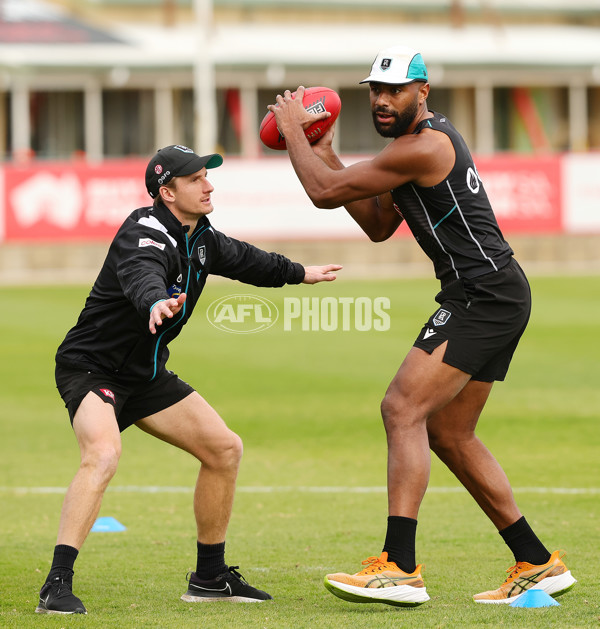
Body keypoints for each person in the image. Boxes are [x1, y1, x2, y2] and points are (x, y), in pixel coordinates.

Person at [268, 46, 577, 606]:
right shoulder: (409, 148)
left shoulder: (425, 146)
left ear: (422, 92)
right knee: (449, 433)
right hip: (493, 292)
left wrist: (293, 131)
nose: (382, 101)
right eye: (375, 91)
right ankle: (536, 561)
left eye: (395, 91)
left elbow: (322, 194)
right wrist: (328, 153)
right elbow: (380, 223)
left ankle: (400, 567)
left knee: (400, 408)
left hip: (481, 296)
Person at [36, 144, 342, 615]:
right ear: (167, 191)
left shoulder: (201, 236)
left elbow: (246, 259)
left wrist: (302, 274)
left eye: (207, 176)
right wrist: (154, 301)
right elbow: (142, 272)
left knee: (224, 449)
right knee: (103, 453)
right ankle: (57, 584)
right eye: (197, 178)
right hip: (92, 368)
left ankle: (210, 578)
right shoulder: (143, 232)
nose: (209, 184)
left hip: (146, 375)